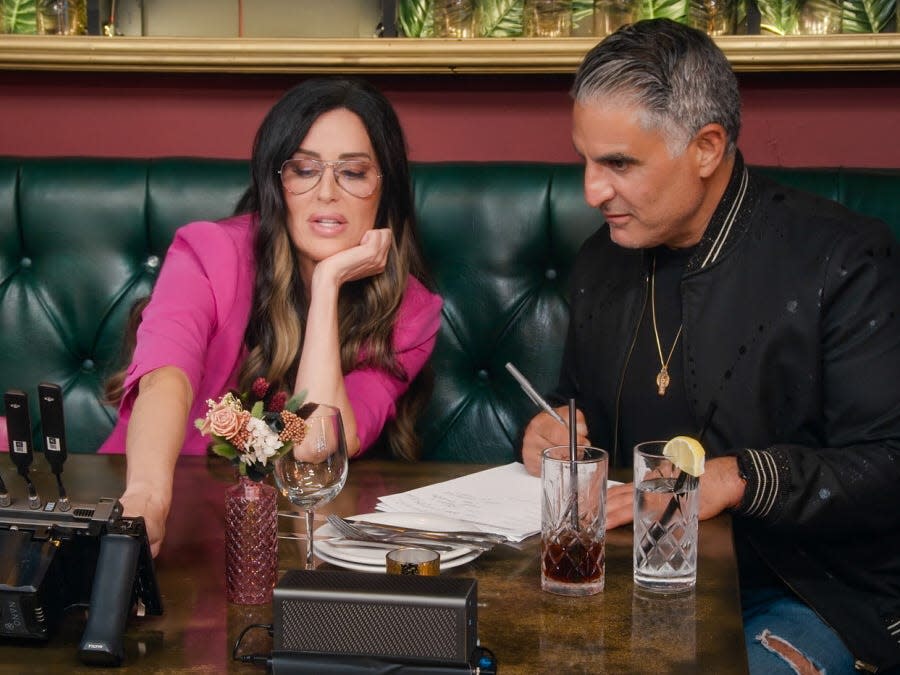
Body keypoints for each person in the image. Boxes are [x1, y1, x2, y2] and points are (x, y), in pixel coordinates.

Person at [519, 19, 900, 675]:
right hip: (630, 579)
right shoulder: (599, 262)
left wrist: (736, 475)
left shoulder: (843, 260)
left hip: (806, 592)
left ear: (706, 146)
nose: (591, 190)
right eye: (585, 158)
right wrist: (556, 428)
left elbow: (888, 462)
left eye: (618, 163)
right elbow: (575, 401)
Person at [100, 78, 442, 557]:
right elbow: (165, 378)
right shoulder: (208, 254)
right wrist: (146, 499)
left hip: (288, 540)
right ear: (277, 183)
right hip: (158, 515)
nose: (327, 192)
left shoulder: (411, 313)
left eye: (354, 172)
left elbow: (315, 445)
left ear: (385, 190)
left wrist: (326, 285)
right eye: (304, 170)